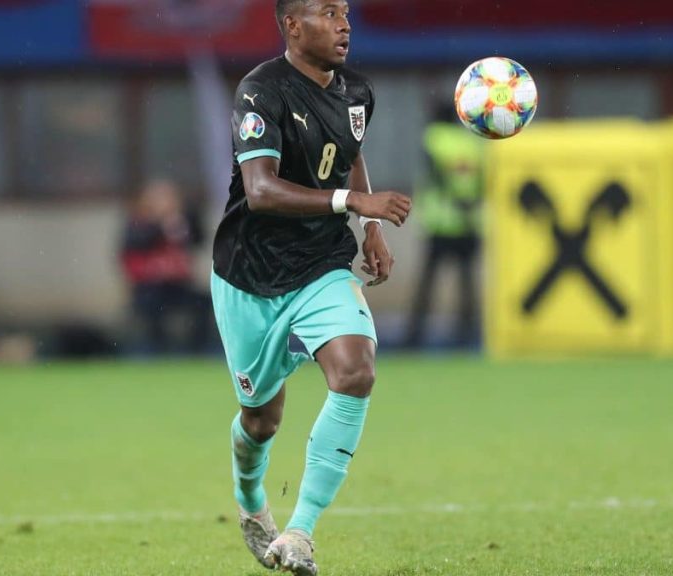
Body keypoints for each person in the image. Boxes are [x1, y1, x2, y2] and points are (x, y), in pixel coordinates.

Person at [209, 1, 412, 573]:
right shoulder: (261, 91)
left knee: (356, 371)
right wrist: (357, 203)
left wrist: (369, 229)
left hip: (321, 262)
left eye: (345, 12)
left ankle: (300, 531)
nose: (344, 23)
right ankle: (252, 505)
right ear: (293, 26)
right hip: (249, 273)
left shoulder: (357, 93)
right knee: (260, 419)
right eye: (328, 12)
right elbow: (261, 190)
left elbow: (348, 154)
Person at [405, 103, 485, 348]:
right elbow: (483, 178)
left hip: (440, 222)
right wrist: (469, 202)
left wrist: (453, 198)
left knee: (427, 284)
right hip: (469, 222)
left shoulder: (433, 138)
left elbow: (435, 174)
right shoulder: (473, 142)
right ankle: (468, 335)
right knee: (467, 284)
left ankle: (415, 337)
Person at [120, 179, 211, 355]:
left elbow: (199, 240)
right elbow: (135, 244)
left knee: (204, 302)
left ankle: (196, 350)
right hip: (149, 286)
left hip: (177, 285)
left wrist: (181, 225)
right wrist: (159, 227)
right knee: (151, 306)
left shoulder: (181, 221)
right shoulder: (139, 223)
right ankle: (157, 349)